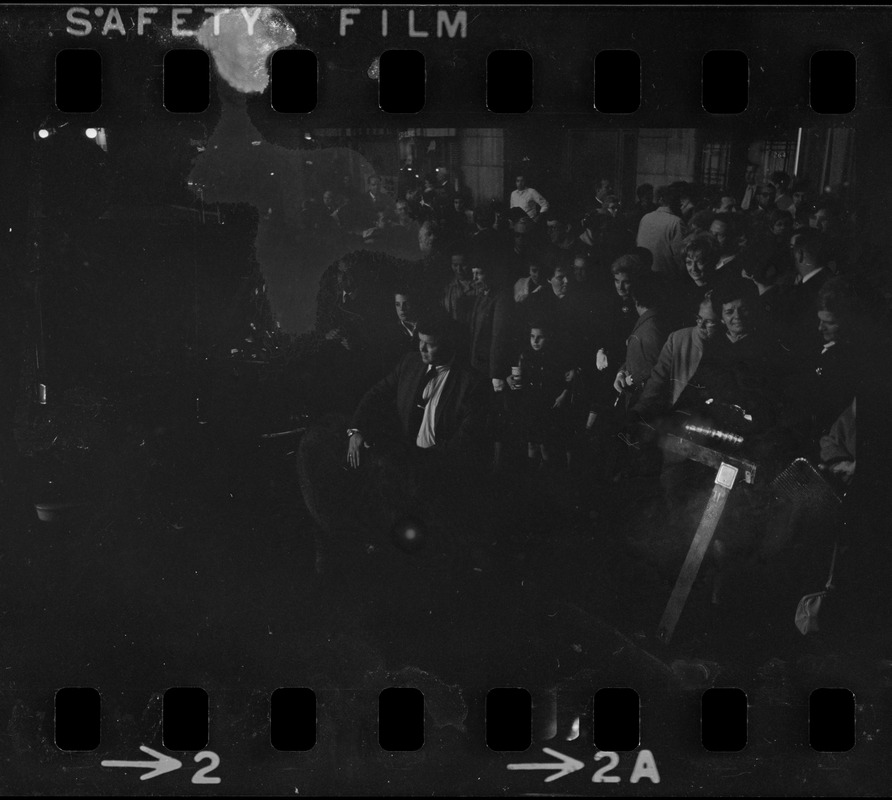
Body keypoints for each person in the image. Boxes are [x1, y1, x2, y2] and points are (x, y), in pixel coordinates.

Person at [631, 293, 721, 420]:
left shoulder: (723, 346)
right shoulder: (678, 338)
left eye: (709, 322)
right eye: (699, 318)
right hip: (676, 416)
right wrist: (639, 409)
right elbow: (657, 380)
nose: (701, 325)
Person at [508, 322, 572, 471]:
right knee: (531, 443)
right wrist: (508, 378)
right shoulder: (525, 356)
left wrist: (563, 395)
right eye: (532, 337)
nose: (535, 341)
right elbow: (519, 377)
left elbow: (566, 381)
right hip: (530, 404)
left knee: (545, 445)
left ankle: (546, 473)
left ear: (547, 338)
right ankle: (532, 474)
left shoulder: (554, 357)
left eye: (540, 337)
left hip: (547, 405)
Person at [636, 185, 687, 280]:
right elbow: (680, 256)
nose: (680, 203)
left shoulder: (645, 218)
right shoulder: (676, 222)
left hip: (646, 274)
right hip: (667, 277)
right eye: (676, 199)